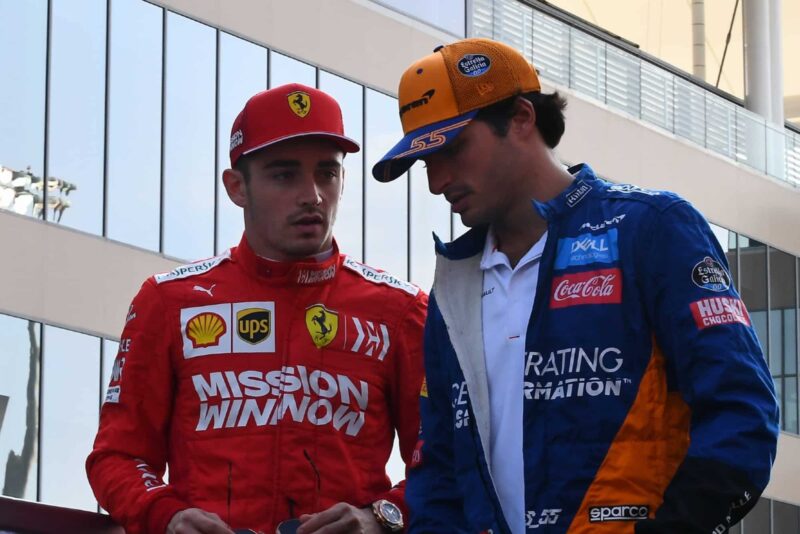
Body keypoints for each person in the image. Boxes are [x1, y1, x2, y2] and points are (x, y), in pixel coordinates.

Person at [372, 38, 779, 534]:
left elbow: (742, 414)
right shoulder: (453, 282)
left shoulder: (650, 228)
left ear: (522, 118)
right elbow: (438, 471)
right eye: (425, 162)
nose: (437, 182)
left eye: (452, 149)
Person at [87, 83, 427, 534]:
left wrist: (381, 518)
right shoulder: (168, 301)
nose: (313, 195)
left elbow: (446, 461)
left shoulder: (400, 310)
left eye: (327, 173)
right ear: (236, 187)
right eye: (284, 175)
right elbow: (118, 456)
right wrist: (164, 516)